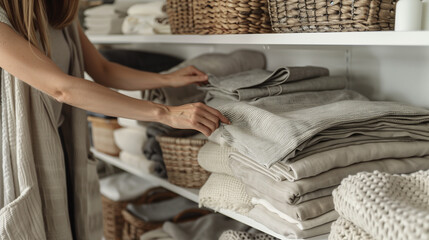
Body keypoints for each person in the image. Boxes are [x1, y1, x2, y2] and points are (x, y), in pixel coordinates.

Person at [0, 1, 229, 240]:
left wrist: (168, 80)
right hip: (20, 154)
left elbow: (102, 70)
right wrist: (166, 113)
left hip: (61, 145)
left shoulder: (58, 13)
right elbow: (62, 88)